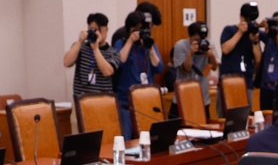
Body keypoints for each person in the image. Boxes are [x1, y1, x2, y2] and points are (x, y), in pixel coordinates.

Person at [114, 9, 165, 138]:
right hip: (126, 103)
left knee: (148, 138)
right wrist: (130, 41)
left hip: (146, 102)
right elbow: (120, 61)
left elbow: (158, 67)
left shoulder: (148, 45)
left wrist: (151, 49)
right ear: (130, 29)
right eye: (137, 30)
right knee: (127, 140)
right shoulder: (121, 43)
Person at [62, 12, 118, 105]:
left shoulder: (112, 52)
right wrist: (80, 41)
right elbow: (66, 63)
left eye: (99, 30)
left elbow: (107, 72)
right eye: (92, 30)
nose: (96, 33)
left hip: (103, 104)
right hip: (81, 103)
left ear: (106, 30)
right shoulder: (80, 47)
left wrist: (95, 49)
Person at [219, 2, 263, 104]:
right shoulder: (229, 30)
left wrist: (255, 41)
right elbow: (225, 49)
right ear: (241, 17)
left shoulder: (253, 33)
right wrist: (240, 32)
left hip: (246, 82)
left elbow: (258, 59)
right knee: (226, 116)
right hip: (228, 82)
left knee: (245, 115)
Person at [172, 20, 216, 111]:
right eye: (197, 40)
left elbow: (214, 68)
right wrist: (191, 53)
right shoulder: (180, 45)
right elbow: (186, 69)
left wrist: (212, 56)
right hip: (183, 98)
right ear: (190, 37)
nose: (200, 43)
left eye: (202, 39)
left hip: (203, 98)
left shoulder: (208, 45)